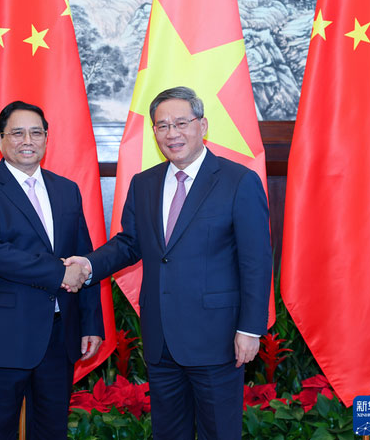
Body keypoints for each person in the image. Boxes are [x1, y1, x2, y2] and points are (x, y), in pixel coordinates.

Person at [65, 87, 271, 440]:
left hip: (218, 338)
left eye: (181, 123)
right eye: (162, 126)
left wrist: (250, 330)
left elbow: (256, 261)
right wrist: (87, 264)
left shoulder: (238, 181)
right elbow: (130, 244)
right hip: (161, 339)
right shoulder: (144, 183)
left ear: (202, 125)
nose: (172, 133)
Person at [0, 100, 104, 440]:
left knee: (52, 432)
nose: (28, 140)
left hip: (58, 336)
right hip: (1, 337)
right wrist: (57, 273)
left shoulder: (66, 190)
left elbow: (83, 258)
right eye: (17, 133)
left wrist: (90, 323)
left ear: (46, 138)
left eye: (36, 133)